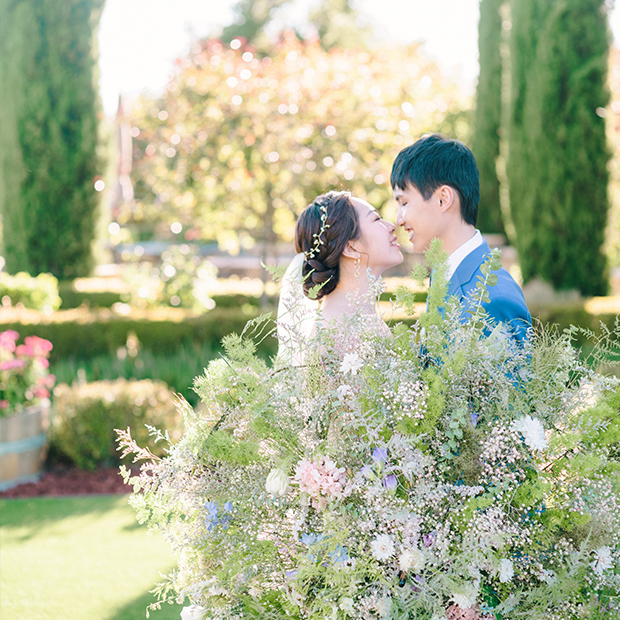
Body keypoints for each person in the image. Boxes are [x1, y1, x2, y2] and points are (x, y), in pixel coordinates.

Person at [391, 133, 531, 342]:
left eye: (404, 203)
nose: (398, 219)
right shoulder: (442, 274)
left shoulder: (493, 299)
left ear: (443, 199)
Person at [277, 190, 403, 363]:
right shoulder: (334, 334)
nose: (391, 225)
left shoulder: (361, 318)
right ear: (350, 248)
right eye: (376, 219)